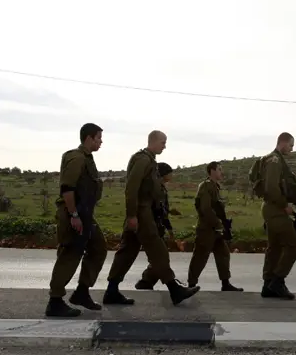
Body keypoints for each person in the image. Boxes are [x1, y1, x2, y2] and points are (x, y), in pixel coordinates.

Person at [103, 130, 199, 306]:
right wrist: (132, 215)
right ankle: (174, 288)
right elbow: (131, 188)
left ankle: (111, 290)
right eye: (163, 142)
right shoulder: (142, 159)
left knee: (127, 253)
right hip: (141, 212)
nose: (165, 145)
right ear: (153, 141)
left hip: (143, 212)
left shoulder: (150, 161)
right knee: (158, 250)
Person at [46, 123, 108, 317]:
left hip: (85, 214)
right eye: (98, 138)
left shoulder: (87, 159)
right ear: (89, 138)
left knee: (98, 248)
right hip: (74, 213)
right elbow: (67, 189)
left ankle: (82, 292)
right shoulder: (76, 158)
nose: (101, 142)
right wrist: (74, 215)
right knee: (70, 255)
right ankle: (55, 301)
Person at [186, 161, 243, 292]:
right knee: (200, 256)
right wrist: (218, 224)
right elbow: (205, 208)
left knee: (223, 254)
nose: (221, 172)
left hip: (216, 228)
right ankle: (191, 284)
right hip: (207, 228)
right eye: (219, 169)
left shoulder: (215, 187)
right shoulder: (206, 186)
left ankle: (225, 283)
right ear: (212, 171)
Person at [259, 132, 296, 300]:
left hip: (271, 208)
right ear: (282, 143)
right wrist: (285, 205)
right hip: (276, 209)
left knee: (275, 247)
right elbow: (271, 187)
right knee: (293, 246)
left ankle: (268, 285)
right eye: (291, 145)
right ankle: (277, 281)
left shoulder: (272, 160)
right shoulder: (274, 161)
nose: (291, 148)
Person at [134, 162, 175, 290]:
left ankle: (146, 281)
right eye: (169, 173)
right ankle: (149, 282)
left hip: (159, 227)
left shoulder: (162, 189)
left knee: (158, 258)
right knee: (160, 257)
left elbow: (163, 212)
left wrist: (169, 228)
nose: (171, 176)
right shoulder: (155, 190)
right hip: (152, 227)